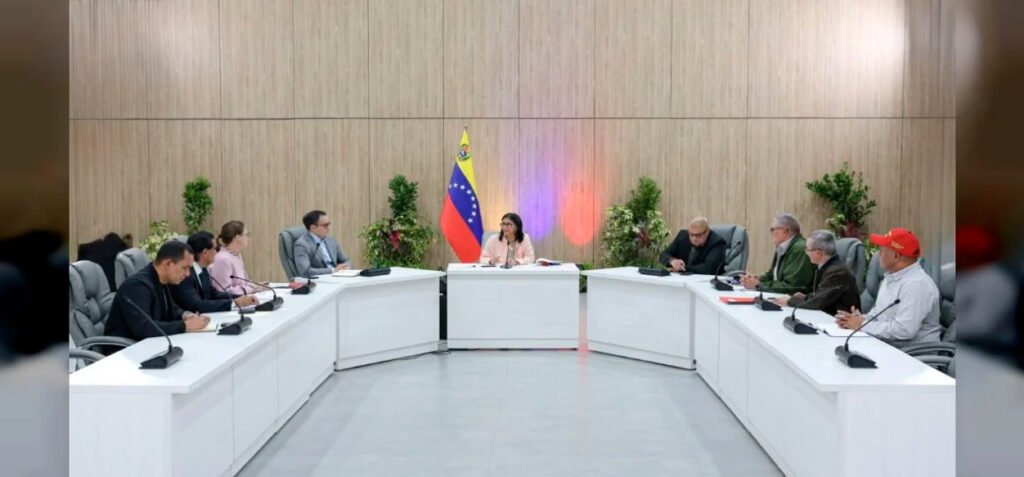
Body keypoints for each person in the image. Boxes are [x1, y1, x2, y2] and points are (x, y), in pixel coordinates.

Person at [835, 227, 942, 348]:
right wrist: (859, 319)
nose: (878, 254)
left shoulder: (917, 284)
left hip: (913, 352)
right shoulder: (891, 277)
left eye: (882, 250)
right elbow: (879, 313)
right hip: (888, 344)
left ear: (896, 256)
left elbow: (904, 331)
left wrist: (862, 325)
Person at [104, 241, 211, 344]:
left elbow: (171, 309)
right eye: (184, 268)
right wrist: (186, 325)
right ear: (168, 263)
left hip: (150, 344)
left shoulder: (161, 280)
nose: (188, 274)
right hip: (125, 350)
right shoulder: (137, 286)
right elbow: (144, 328)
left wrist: (186, 316)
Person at [769, 230, 861, 315]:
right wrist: (804, 297)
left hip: (837, 321)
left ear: (819, 253)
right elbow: (821, 295)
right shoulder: (828, 267)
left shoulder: (837, 272)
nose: (806, 253)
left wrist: (789, 301)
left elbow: (817, 302)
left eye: (807, 250)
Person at [169, 231, 259, 313]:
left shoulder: (203, 270)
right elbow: (197, 305)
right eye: (216, 249)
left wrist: (241, 298)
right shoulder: (184, 275)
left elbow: (214, 294)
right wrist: (234, 303)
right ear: (205, 253)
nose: (217, 252)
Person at [740, 213, 815, 294]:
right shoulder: (782, 247)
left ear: (785, 231)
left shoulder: (800, 249)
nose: (771, 233)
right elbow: (772, 275)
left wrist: (758, 285)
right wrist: (755, 279)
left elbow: (792, 287)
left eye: (772, 229)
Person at [659, 217, 727, 274]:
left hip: (706, 281)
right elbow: (664, 254)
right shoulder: (682, 236)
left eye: (698, 235)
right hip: (682, 278)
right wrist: (672, 261)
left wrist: (682, 268)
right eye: (691, 235)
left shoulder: (717, 243)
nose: (694, 239)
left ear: (707, 232)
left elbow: (708, 269)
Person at [294, 210, 350, 278]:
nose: (328, 228)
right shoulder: (302, 245)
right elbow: (305, 271)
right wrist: (333, 270)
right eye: (325, 225)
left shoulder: (331, 240)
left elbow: (345, 260)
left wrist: (346, 267)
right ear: (313, 228)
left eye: (328, 225)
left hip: (339, 277)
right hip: (320, 280)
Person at [208, 220, 257, 295]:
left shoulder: (236, 254)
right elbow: (224, 291)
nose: (248, 238)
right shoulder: (223, 259)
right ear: (238, 237)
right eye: (247, 234)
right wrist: (251, 289)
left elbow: (242, 282)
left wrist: (255, 285)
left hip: (242, 297)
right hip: (231, 301)